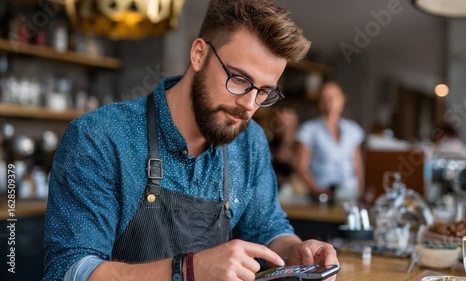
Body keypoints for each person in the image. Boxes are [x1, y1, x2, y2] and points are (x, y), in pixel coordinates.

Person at [42, 1, 338, 281]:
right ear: (199, 54)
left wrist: (296, 252)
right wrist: (187, 270)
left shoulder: (249, 142)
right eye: (238, 79)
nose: (249, 105)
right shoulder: (100, 136)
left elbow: (267, 227)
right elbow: (70, 271)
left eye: (264, 92)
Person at [295, 82, 364, 203]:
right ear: (319, 102)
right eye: (325, 98)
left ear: (342, 99)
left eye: (334, 97)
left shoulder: (353, 130)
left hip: (349, 194)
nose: (330, 101)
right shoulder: (309, 130)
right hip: (321, 194)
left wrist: (360, 193)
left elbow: (358, 166)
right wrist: (316, 190)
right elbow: (301, 167)